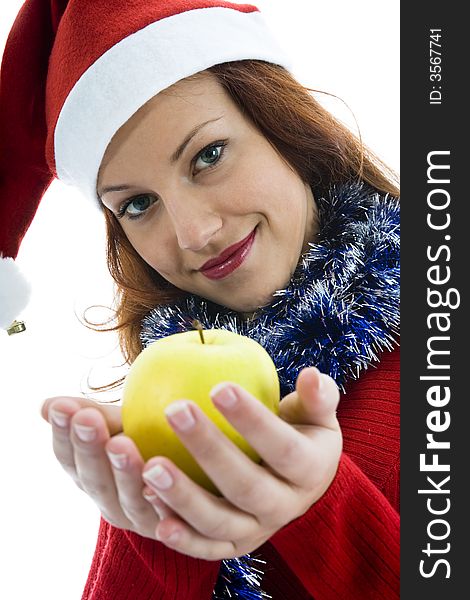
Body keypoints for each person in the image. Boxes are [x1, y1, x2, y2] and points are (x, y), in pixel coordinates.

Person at [0, 1, 400, 598]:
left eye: (208, 156)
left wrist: (323, 510)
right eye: (137, 204)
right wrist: (166, 532)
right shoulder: (163, 424)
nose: (193, 233)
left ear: (285, 128)